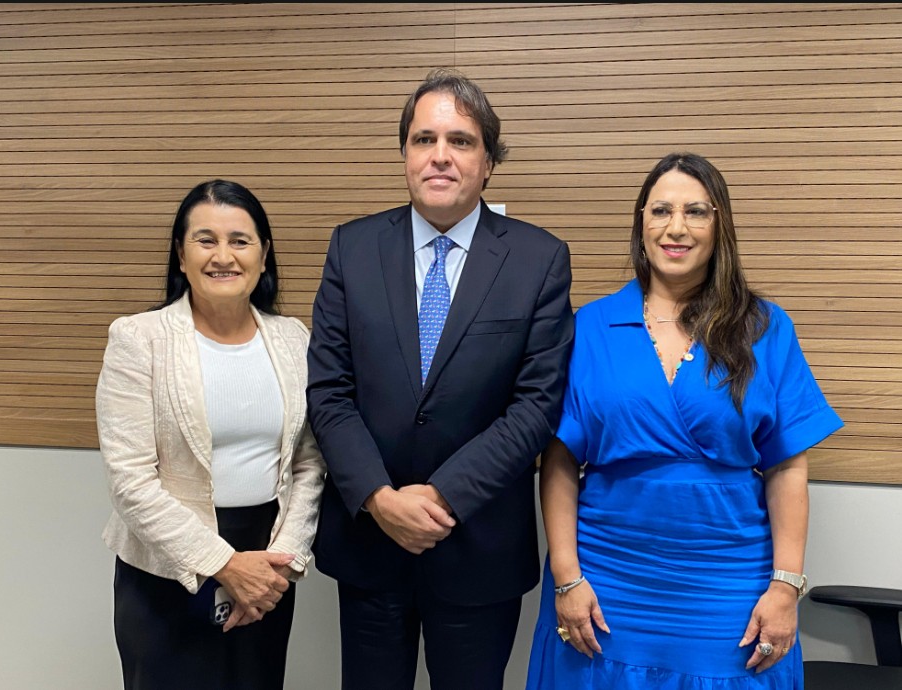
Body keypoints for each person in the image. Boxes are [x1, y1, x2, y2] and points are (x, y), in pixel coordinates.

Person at [525, 152, 844, 689]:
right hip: (606, 581)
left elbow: (787, 466)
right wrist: (566, 577)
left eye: (696, 212)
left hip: (729, 587)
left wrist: (786, 586)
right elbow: (558, 460)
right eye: (660, 211)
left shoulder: (764, 327)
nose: (676, 228)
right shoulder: (592, 326)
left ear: (720, 227)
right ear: (641, 224)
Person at [306, 67, 575, 690]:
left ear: (489, 162)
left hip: (478, 547)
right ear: (405, 154)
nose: (440, 156)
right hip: (370, 545)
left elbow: (536, 406)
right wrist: (380, 498)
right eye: (424, 139)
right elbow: (329, 390)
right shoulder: (352, 248)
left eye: (461, 141)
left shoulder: (538, 259)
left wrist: (442, 497)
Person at [95, 179, 326, 690]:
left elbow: (309, 461)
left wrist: (282, 563)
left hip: (265, 563)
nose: (223, 256)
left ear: (263, 255)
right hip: (167, 565)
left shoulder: (293, 339)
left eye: (240, 241)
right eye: (206, 240)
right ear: (181, 256)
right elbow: (130, 482)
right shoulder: (139, 339)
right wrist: (224, 564)